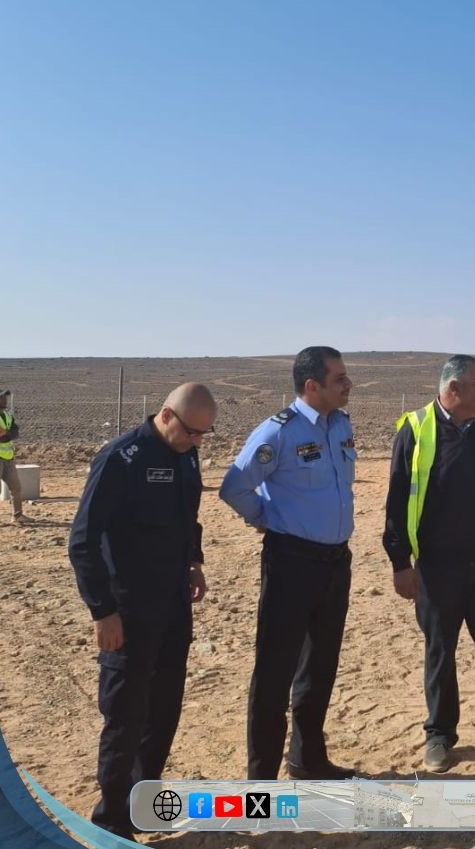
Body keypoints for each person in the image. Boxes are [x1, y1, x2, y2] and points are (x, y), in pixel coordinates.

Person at [68, 382, 217, 842]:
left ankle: (142, 804)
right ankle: (111, 821)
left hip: (172, 607)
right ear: (166, 415)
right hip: (128, 613)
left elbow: (188, 516)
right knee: (125, 716)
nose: (196, 442)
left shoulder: (187, 456)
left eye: (203, 435)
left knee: (163, 712)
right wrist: (102, 611)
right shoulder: (121, 458)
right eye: (191, 432)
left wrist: (193, 562)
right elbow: (83, 541)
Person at [383, 354, 475, 779]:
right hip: (437, 568)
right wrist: (400, 562)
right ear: (454, 389)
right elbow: (397, 499)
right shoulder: (416, 430)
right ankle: (439, 735)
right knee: (440, 653)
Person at [219, 345, 357, 781]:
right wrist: (266, 518)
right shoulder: (278, 432)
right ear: (312, 385)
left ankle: (307, 759)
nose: (348, 384)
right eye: (339, 378)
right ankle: (261, 780)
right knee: (275, 671)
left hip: (335, 562)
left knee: (320, 667)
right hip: (291, 563)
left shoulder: (341, 425)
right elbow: (234, 487)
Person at [0, 389, 26, 526]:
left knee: (16, 488)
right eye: (2, 398)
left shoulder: (8, 415)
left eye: (5, 398)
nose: (5, 400)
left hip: (8, 457)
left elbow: (15, 433)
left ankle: (18, 516)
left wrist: (6, 434)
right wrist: (7, 434)